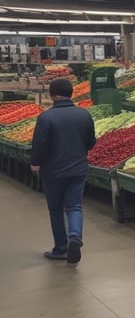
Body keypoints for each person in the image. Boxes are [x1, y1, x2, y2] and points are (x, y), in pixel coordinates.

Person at [31, 78, 96, 264]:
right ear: (71, 93)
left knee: (56, 209)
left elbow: (40, 145)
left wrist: (35, 163)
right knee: (74, 206)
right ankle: (75, 236)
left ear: (52, 95)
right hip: (78, 169)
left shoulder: (46, 118)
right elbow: (91, 142)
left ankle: (61, 248)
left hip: (53, 171)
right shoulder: (84, 115)